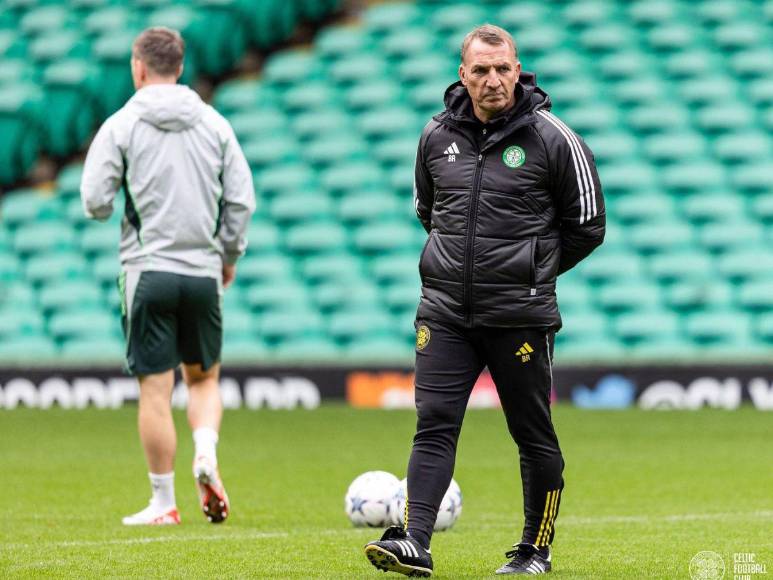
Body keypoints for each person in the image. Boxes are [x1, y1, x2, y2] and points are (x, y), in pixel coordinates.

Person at [364, 24, 605, 576]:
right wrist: (463, 273)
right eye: (481, 70)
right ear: (463, 75)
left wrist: (529, 274)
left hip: (518, 316)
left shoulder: (553, 138)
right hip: (445, 311)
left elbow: (588, 224)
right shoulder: (434, 137)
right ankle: (415, 543)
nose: (493, 80)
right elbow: (429, 212)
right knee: (435, 421)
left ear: (518, 70)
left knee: (530, 431)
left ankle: (534, 550)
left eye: (503, 69)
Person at [80, 27, 255, 526]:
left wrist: (118, 204)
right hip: (202, 272)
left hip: (148, 270)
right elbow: (242, 198)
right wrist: (228, 254)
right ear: (179, 68)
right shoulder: (215, 123)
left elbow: (94, 200)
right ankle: (205, 450)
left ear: (138, 67)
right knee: (203, 380)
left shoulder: (121, 124)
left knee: (156, 391)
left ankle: (163, 502)